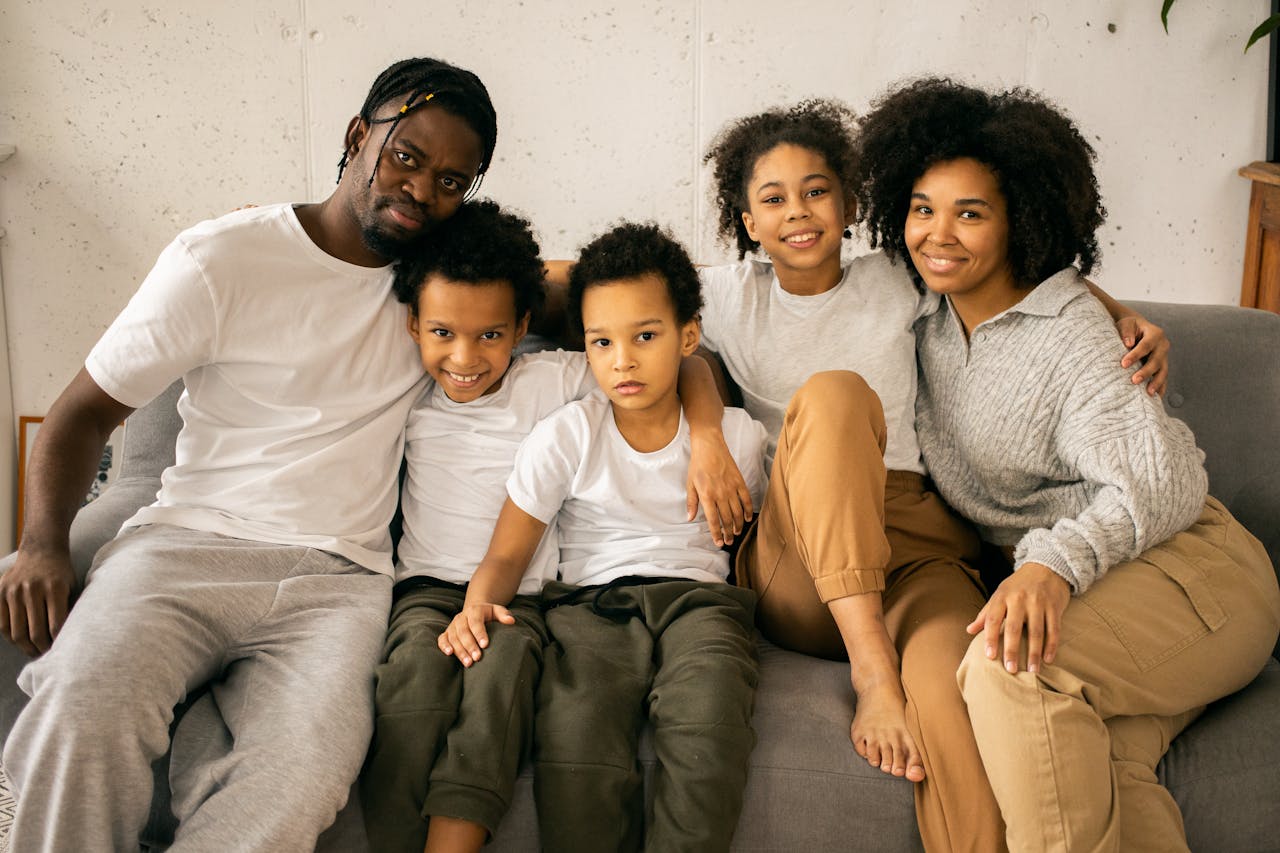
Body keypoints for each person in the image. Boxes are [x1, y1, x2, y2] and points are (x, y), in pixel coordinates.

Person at [0, 57, 498, 851]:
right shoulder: (221, 257)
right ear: (358, 135)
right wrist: (40, 541)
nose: (422, 190)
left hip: (338, 584)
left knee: (301, 775)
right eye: (408, 156)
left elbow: (601, 293)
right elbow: (82, 411)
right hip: (186, 548)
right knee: (80, 701)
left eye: (450, 180)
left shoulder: (444, 288)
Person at [691, 99, 1171, 852]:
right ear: (746, 220)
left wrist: (1119, 312)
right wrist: (701, 427)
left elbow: (1019, 270)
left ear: (852, 203)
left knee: (968, 684)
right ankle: (874, 672)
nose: (798, 213)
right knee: (837, 392)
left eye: (817, 191)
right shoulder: (724, 294)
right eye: (773, 199)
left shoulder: (900, 275)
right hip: (799, 554)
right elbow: (600, 290)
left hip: (918, 549)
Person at [853, 76, 1280, 853]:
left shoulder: (1076, 338)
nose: (938, 234)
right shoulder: (920, 311)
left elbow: (1167, 482)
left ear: (1025, 220)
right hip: (1116, 589)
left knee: (1012, 668)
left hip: (1196, 570)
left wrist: (1049, 565)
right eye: (922, 207)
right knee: (1097, 765)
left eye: (971, 212)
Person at [359, 201, 742, 853]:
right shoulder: (401, 386)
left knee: (500, 683)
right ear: (413, 327)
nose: (465, 356)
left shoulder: (554, 380)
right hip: (424, 589)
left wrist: (707, 431)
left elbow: (684, 364)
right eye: (443, 333)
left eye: (490, 334)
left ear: (523, 326)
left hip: (524, 598)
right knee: (411, 695)